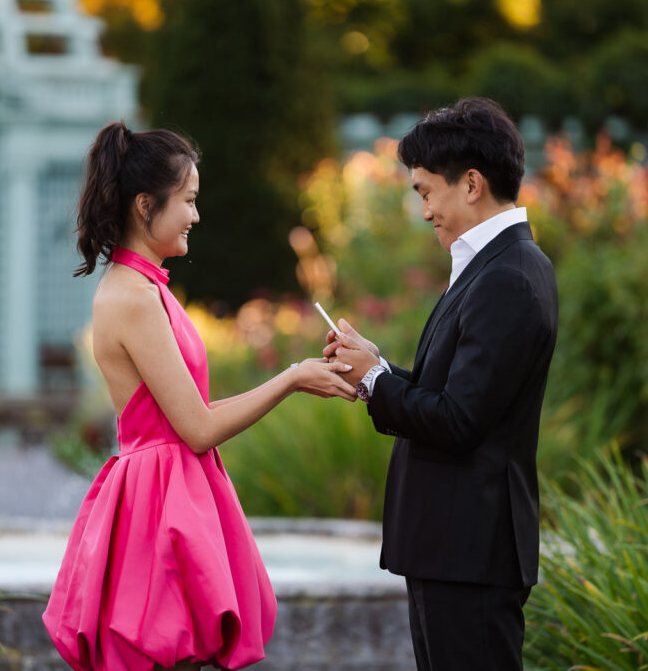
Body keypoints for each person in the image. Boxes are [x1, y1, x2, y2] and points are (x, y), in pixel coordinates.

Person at [43, 123, 356, 671]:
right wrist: (291, 377)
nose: (196, 215)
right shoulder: (133, 297)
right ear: (146, 205)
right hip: (161, 502)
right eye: (187, 200)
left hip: (171, 490)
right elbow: (198, 427)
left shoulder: (146, 287)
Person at [326, 98, 558, 670]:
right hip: (453, 550)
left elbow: (459, 421)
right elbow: (456, 393)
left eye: (427, 192)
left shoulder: (508, 275)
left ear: (472, 183)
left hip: (471, 553)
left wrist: (377, 381)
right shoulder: (492, 265)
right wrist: (374, 370)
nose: (425, 210)